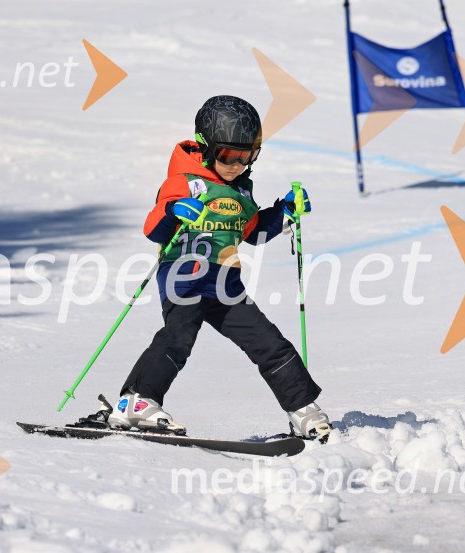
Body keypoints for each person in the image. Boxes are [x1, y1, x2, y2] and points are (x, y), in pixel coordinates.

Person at [107, 95, 331, 442]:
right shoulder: (184, 182)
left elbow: (253, 231)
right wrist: (174, 212)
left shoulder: (241, 190)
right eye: (229, 155)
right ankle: (136, 402)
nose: (237, 164)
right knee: (178, 337)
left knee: (270, 342)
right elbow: (153, 227)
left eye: (248, 156)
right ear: (206, 147)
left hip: (225, 283)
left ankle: (303, 410)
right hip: (184, 275)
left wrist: (285, 211)